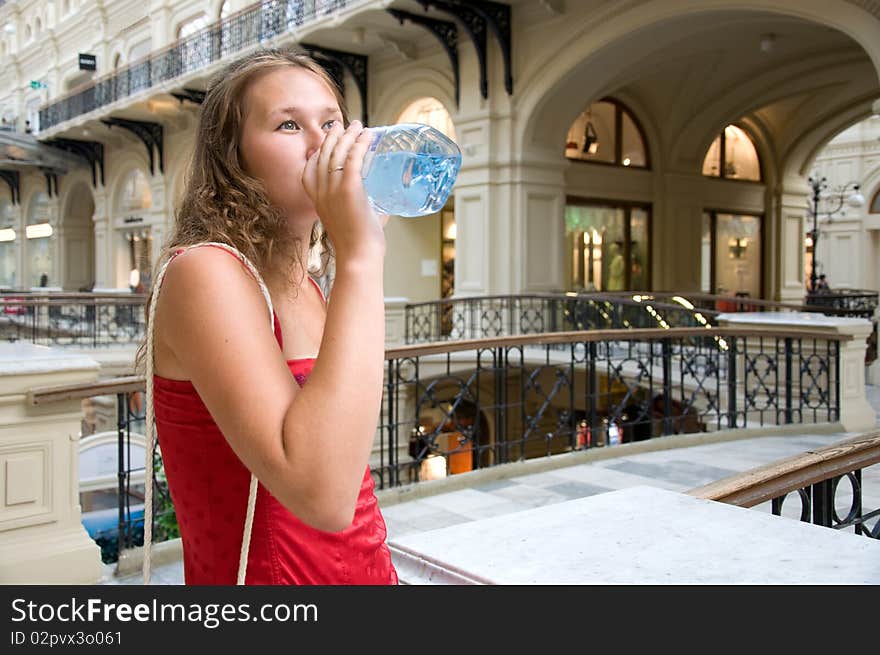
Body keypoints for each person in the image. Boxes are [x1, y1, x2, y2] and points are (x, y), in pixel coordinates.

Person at [136, 48, 397, 585]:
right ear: (234, 160)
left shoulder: (311, 287)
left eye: (331, 122)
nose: (323, 143)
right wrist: (361, 257)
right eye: (287, 124)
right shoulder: (204, 271)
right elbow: (321, 497)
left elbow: (348, 470)